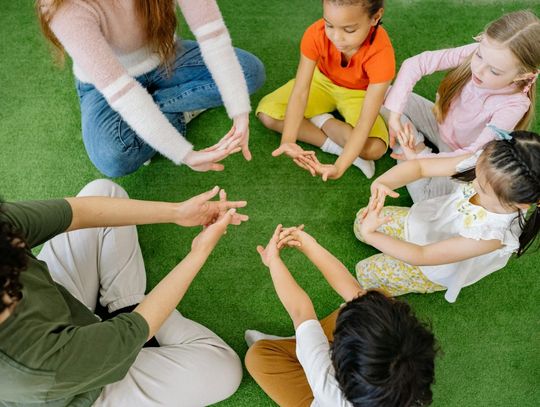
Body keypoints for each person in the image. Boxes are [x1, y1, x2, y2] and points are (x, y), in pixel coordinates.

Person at [0, 179, 249, 406]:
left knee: (105, 192)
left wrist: (178, 212)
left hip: (63, 307)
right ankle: (129, 308)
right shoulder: (31, 368)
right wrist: (199, 252)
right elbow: (131, 330)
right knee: (224, 369)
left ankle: (124, 303)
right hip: (77, 390)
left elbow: (77, 213)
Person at [37, 0, 266, 177]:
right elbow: (123, 93)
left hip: (166, 56)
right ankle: (176, 112)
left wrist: (239, 112)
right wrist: (184, 154)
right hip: (106, 85)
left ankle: (154, 119)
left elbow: (213, 36)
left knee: (250, 73)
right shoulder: (61, 7)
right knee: (113, 157)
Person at [245, 224, 437, 406]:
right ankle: (305, 340)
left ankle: (302, 342)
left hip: (320, 394)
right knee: (369, 303)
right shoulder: (408, 381)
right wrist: (309, 245)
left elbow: (300, 311)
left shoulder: (328, 387)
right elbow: (355, 293)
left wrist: (273, 261)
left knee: (257, 357)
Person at [354, 129, 540, 303]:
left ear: (519, 204)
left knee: (366, 273)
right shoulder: (490, 163)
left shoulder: (493, 235)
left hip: (431, 266)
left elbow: (422, 255)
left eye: (482, 189)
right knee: (361, 220)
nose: (473, 183)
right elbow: (420, 167)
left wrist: (372, 235)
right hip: (429, 221)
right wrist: (382, 182)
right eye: (476, 174)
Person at [383, 10, 539, 202]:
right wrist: (395, 116)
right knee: (384, 95)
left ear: (522, 76)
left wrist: (420, 160)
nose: (478, 70)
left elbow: (472, 155)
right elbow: (416, 64)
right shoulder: (483, 52)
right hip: (439, 121)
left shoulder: (515, 105)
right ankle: (410, 144)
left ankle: (413, 147)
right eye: (480, 56)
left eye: (495, 71)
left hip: (460, 156)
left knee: (424, 198)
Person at [257, 0, 395, 180]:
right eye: (329, 25)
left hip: (359, 93)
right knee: (268, 114)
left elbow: (364, 122)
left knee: (374, 148)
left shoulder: (382, 55)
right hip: (320, 82)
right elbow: (300, 91)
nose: (336, 37)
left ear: (375, 17)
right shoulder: (315, 33)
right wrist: (288, 141)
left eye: (349, 30)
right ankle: (335, 146)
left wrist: (339, 168)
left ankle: (321, 120)